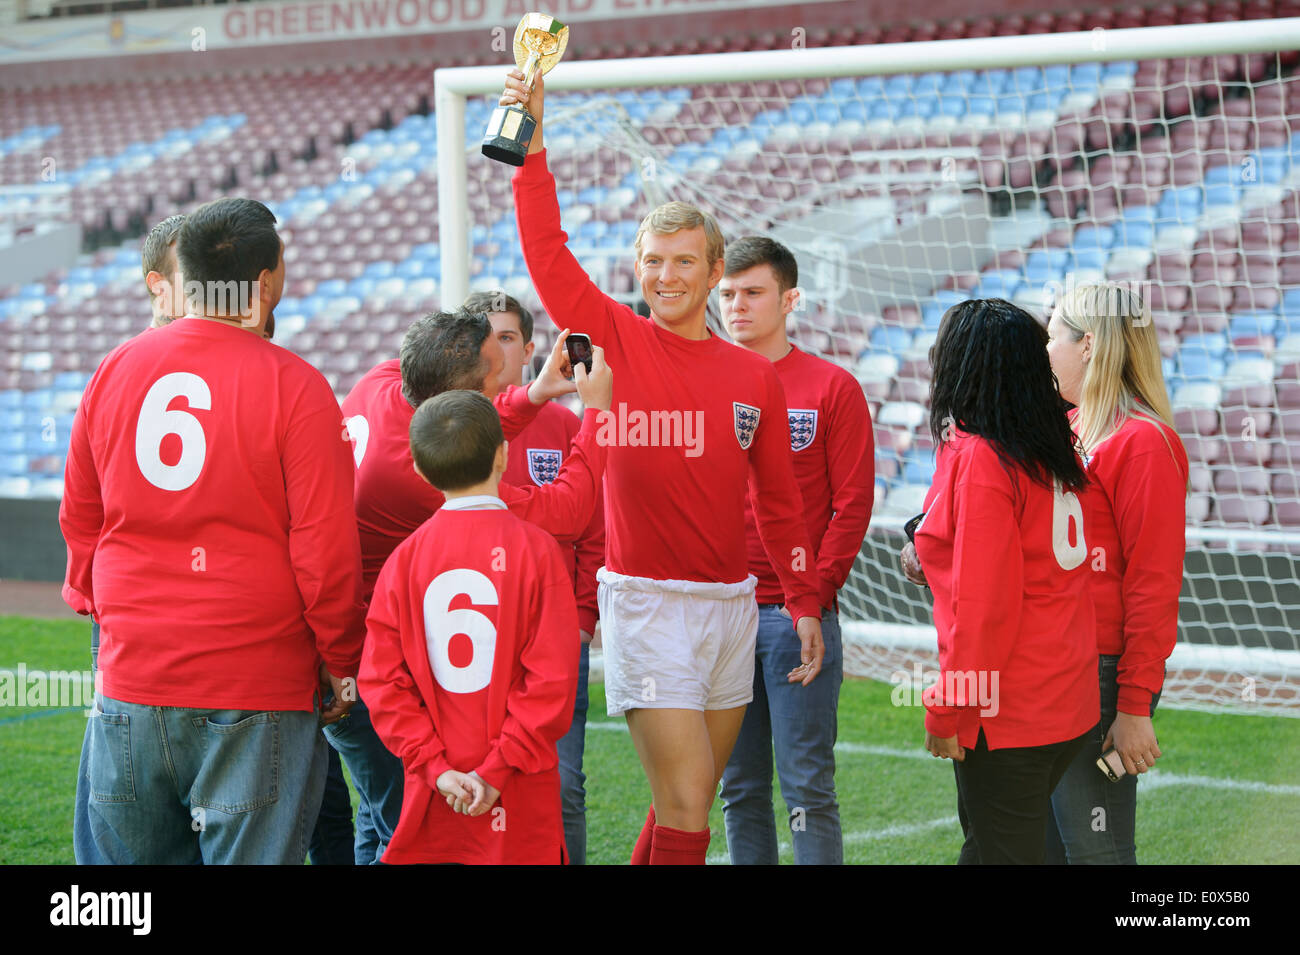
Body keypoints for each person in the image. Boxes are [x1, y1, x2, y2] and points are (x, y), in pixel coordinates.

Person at [501, 68, 825, 865]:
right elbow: (546, 250)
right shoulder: (609, 334)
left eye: (685, 262)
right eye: (654, 260)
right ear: (638, 267)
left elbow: (780, 501)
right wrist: (533, 139)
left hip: (733, 606)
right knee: (686, 808)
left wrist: (805, 597)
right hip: (645, 602)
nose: (667, 276)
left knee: (689, 801)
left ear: (714, 272)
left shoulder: (754, 376)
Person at [61, 197, 364, 864]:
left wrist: (110, 615)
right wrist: (340, 660)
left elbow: (80, 519)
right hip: (257, 686)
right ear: (262, 284)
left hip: (131, 680)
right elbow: (326, 555)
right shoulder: (299, 386)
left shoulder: (112, 371)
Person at [330, 309, 608, 863]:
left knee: (378, 817)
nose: (506, 376)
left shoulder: (386, 379)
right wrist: (596, 412)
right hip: (421, 687)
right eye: (494, 375)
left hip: (376, 673)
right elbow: (571, 510)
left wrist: (535, 393)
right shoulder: (495, 529)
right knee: (397, 828)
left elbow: (460, 422)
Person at [912, 297, 1098, 865]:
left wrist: (950, 708)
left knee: (999, 854)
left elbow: (986, 607)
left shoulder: (984, 455)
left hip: (1010, 706)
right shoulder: (1048, 443)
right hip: (1065, 694)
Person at [716, 237, 874, 865]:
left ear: (790, 300)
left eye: (753, 293)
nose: (737, 306)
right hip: (719, 611)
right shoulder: (702, 383)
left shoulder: (831, 387)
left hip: (794, 615)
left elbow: (852, 505)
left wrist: (815, 595)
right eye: (726, 294)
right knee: (738, 786)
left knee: (807, 784)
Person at [1044, 282, 1188, 864]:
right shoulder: (1065, 429)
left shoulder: (1143, 443)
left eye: (1053, 333)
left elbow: (1153, 585)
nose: (1044, 347)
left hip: (1098, 677)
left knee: (1096, 854)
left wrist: (1133, 706)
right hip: (1049, 668)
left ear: (1089, 345)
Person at [71, 212, 193, 866]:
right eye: (194, 275)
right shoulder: (120, 371)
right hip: (134, 611)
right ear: (159, 285)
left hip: (191, 616)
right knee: (116, 781)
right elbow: (84, 501)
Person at [468, 289, 606, 865]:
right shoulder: (456, 425)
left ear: (529, 348)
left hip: (552, 636)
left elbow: (591, 527)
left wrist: (581, 616)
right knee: (472, 782)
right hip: (473, 632)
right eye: (485, 339)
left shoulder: (562, 423)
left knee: (562, 784)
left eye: (508, 338)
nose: (497, 351)